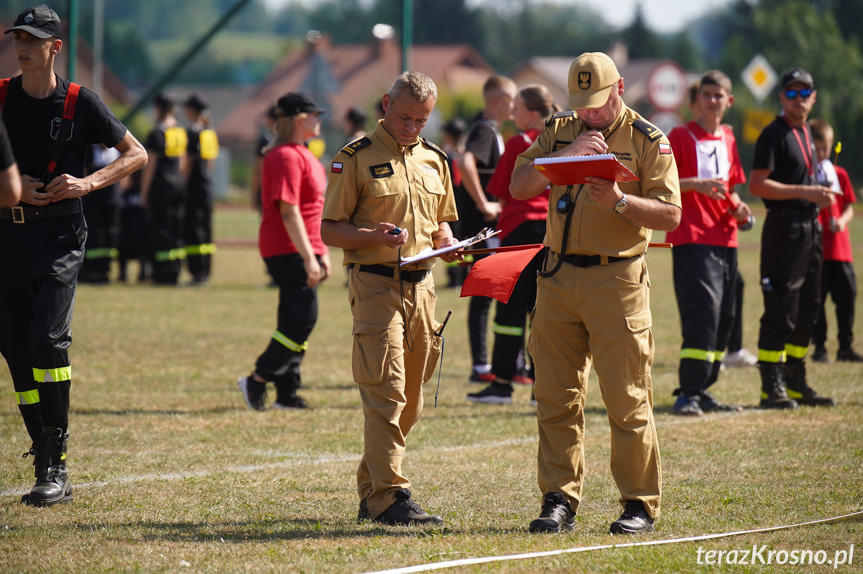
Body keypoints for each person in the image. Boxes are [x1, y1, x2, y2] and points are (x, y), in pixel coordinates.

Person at [510, 52, 681, 534]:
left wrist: (622, 202)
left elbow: (671, 216)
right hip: (559, 278)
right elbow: (518, 186)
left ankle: (638, 504)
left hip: (617, 281)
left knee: (626, 397)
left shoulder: (649, 140)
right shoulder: (559, 129)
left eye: (599, 102)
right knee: (556, 396)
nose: (591, 113)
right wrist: (565, 156)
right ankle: (558, 499)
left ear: (621, 87)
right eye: (582, 104)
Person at [0, 4, 147, 506]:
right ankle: (42, 448)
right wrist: (14, 188)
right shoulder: (0, 97)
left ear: (55, 47)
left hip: (61, 236)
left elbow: (137, 153)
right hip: (6, 236)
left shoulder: (81, 103)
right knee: (16, 350)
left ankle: (53, 461)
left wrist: (87, 182)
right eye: (18, 36)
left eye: (33, 39)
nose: (22, 46)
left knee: (47, 338)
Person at [320, 71, 460, 526]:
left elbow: (442, 222)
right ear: (386, 104)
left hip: (424, 288)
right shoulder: (354, 158)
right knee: (387, 391)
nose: (412, 127)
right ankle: (390, 497)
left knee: (413, 400)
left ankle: (371, 489)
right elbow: (329, 228)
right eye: (405, 117)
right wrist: (370, 234)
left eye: (422, 120)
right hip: (376, 283)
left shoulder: (435, 160)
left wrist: (451, 241)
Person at [665, 70, 752, 416]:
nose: (713, 100)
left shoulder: (729, 138)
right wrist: (695, 185)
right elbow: (660, 182)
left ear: (729, 101)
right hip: (691, 237)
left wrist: (739, 207)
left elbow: (731, 187)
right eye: (707, 94)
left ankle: (704, 389)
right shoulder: (680, 135)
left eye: (719, 95)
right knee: (702, 314)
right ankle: (687, 393)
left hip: (726, 239)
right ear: (697, 99)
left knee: (725, 318)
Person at [237, 93, 331, 410]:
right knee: (303, 319)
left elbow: (312, 210)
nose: (320, 120)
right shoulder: (285, 156)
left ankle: (287, 392)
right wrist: (308, 256)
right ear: (300, 119)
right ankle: (258, 378)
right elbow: (288, 211)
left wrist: (321, 252)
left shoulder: (304, 154)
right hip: (286, 247)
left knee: (292, 317)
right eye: (315, 114)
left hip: (303, 245)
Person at [750, 68, 836, 408]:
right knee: (780, 308)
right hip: (784, 229)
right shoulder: (773, 134)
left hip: (809, 228)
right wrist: (807, 191)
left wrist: (818, 195)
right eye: (792, 94)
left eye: (805, 94)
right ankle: (770, 385)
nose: (798, 100)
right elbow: (757, 185)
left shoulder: (805, 133)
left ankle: (795, 378)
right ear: (781, 97)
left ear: (813, 98)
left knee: (810, 308)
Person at [467, 84, 558, 404]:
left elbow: (504, 191)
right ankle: (539, 388)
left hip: (519, 232)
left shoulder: (520, 142)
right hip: (551, 234)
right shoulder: (561, 142)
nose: (512, 114)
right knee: (543, 313)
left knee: (508, 312)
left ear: (533, 114)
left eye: (517, 109)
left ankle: (502, 383)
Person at [459, 75, 517, 384]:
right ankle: (480, 366)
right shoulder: (484, 130)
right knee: (483, 297)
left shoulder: (492, 131)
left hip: (490, 230)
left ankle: (501, 364)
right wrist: (484, 203)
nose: (515, 105)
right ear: (496, 102)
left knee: (494, 295)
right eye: (511, 100)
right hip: (482, 230)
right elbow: (465, 162)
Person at [809, 119, 862, 363]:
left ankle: (845, 347)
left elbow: (850, 205)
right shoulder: (808, 177)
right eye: (817, 148)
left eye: (826, 148)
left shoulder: (839, 173)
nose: (822, 153)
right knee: (816, 300)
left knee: (847, 296)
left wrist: (842, 220)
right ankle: (819, 347)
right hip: (816, 248)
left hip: (840, 249)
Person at [141, 92, 187, 285]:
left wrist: (144, 192)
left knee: (160, 229)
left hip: (161, 185)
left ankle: (162, 273)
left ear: (158, 109)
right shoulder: (179, 131)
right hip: (177, 184)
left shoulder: (157, 133)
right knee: (175, 228)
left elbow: (150, 166)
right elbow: (183, 163)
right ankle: (175, 270)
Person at [182, 93, 218, 286]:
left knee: (194, 228)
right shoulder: (209, 131)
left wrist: (184, 182)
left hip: (194, 186)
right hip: (207, 186)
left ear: (192, 110)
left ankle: (196, 271)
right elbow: (210, 163)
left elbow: (187, 164)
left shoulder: (192, 132)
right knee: (206, 227)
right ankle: (205, 269)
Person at [78, 144, 120, 284]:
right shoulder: (90, 150)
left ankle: (106, 269)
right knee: (95, 233)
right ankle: (93, 270)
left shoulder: (116, 150)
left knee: (110, 233)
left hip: (111, 200)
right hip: (93, 201)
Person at [0, 118, 21, 206]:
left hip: (62, 215)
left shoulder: (66, 106)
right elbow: (10, 192)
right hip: (6, 215)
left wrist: (69, 181)